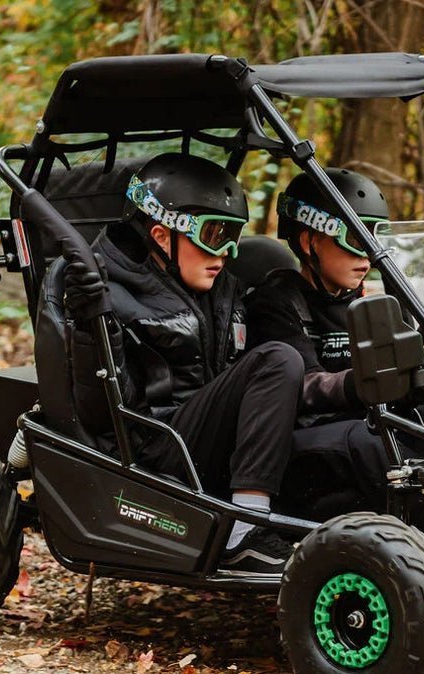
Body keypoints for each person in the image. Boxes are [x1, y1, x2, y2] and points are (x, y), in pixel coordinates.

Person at [63, 153, 301, 574]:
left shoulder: (219, 287)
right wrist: (89, 329)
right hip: (158, 448)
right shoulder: (105, 294)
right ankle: (245, 531)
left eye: (232, 235)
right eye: (213, 234)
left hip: (208, 437)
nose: (225, 252)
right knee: (277, 361)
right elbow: (101, 413)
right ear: (161, 234)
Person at [246, 169, 424, 550]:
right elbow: (301, 386)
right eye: (356, 240)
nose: (368, 256)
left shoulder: (363, 300)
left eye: (374, 239)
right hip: (298, 442)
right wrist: (364, 383)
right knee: (372, 441)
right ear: (309, 241)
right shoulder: (276, 301)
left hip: (358, 427)